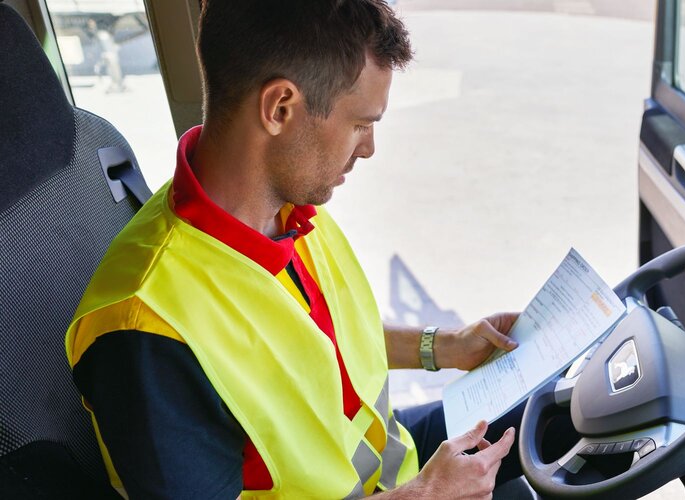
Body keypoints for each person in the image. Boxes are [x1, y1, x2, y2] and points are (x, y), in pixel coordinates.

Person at [64, 0, 524, 497]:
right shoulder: (148, 332)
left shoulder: (289, 211)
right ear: (280, 108)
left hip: (389, 473)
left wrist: (443, 346)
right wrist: (426, 494)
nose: (368, 147)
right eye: (360, 124)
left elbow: (318, 345)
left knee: (554, 406)